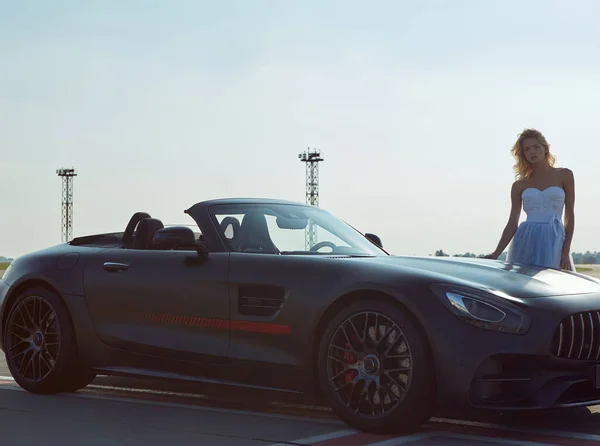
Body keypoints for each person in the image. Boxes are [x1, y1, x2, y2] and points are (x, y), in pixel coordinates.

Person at [484, 128, 575, 271]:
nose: (532, 152)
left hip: (554, 238)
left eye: (536, 147)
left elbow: (569, 215)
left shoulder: (565, 175)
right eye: (527, 149)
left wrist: (565, 251)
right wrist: (497, 252)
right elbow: (512, 223)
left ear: (545, 148)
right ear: (523, 154)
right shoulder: (519, 185)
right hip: (526, 238)